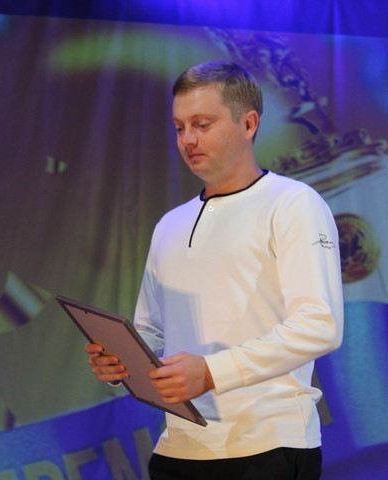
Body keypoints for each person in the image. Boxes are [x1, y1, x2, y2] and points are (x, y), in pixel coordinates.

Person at [85, 61, 343, 480]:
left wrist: (211, 372)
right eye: (179, 127)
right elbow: (151, 330)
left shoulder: (292, 203)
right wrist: (121, 361)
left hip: (268, 446)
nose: (188, 139)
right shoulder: (170, 224)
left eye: (202, 125)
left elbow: (320, 325)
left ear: (249, 123)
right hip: (179, 447)